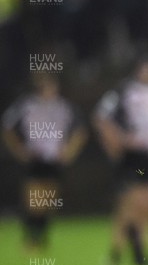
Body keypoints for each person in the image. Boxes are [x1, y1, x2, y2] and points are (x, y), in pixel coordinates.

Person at [94, 56, 148, 265]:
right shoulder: (123, 91)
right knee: (136, 205)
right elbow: (101, 118)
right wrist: (116, 142)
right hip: (134, 159)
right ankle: (137, 257)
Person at [2, 73, 86, 250]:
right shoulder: (27, 105)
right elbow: (7, 126)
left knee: (48, 200)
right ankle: (30, 239)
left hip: (54, 159)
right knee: (33, 201)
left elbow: (80, 131)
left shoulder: (63, 107)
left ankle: (42, 238)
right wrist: (19, 150)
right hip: (35, 158)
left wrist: (69, 152)